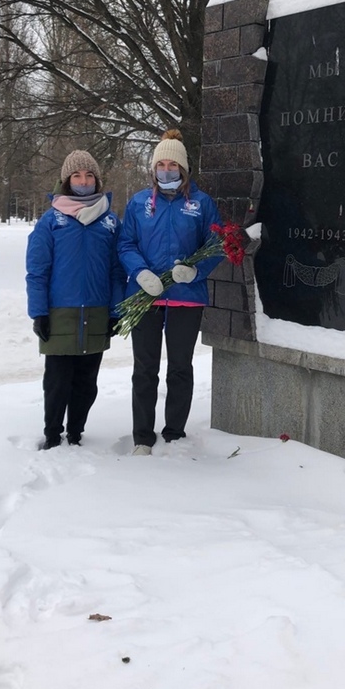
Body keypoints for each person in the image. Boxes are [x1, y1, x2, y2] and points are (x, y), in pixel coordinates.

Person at [118, 129, 223, 455]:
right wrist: (140, 271)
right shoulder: (138, 203)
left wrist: (196, 270)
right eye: (161, 164)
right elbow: (125, 244)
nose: (166, 170)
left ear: (183, 169)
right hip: (145, 296)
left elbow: (215, 246)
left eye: (172, 165)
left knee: (180, 367)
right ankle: (142, 438)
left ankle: (175, 432)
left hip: (186, 297)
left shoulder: (201, 203)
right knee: (145, 369)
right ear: (153, 168)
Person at [26, 149, 125, 449]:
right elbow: (37, 271)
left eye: (89, 175)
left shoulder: (109, 222)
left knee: (86, 381)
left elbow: (117, 271)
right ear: (67, 181)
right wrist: (38, 312)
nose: (84, 180)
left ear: (97, 179)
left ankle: (76, 432)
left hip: (96, 312)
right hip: (60, 314)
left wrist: (115, 311)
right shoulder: (51, 221)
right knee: (57, 381)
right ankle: (53, 434)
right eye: (77, 176)